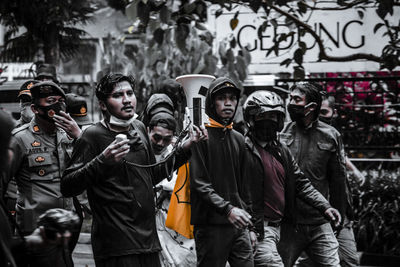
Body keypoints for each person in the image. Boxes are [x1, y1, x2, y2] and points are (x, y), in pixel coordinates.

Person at [60, 73, 204, 267]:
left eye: (130, 93)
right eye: (118, 95)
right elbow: (68, 186)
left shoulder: (139, 128)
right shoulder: (92, 136)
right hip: (116, 245)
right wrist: (103, 160)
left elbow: (151, 174)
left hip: (148, 242)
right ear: (103, 105)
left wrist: (184, 148)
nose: (127, 100)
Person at [242, 90, 342, 267]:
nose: (269, 122)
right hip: (259, 229)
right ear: (251, 118)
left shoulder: (281, 150)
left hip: (281, 226)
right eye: (263, 116)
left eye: (274, 117)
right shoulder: (242, 149)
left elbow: (300, 183)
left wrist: (324, 206)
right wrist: (249, 228)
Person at [2, 81, 79, 267]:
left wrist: (79, 137)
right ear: (35, 109)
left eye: (61, 101)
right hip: (35, 232)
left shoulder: (68, 135)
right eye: (51, 100)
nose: (58, 105)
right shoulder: (20, 138)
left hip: (64, 230)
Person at [278, 82, 348, 267]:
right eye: (290, 98)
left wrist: (339, 216)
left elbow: (338, 181)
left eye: (296, 99)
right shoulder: (280, 134)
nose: (290, 103)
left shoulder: (331, 135)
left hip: (319, 221)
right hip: (288, 224)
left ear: (311, 107)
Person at [189, 77, 254, 267]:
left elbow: (245, 187)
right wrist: (227, 209)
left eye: (232, 98)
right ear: (211, 102)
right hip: (211, 226)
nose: (228, 103)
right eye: (222, 98)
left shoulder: (239, 139)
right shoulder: (200, 136)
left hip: (238, 224)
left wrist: (251, 227)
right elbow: (199, 182)